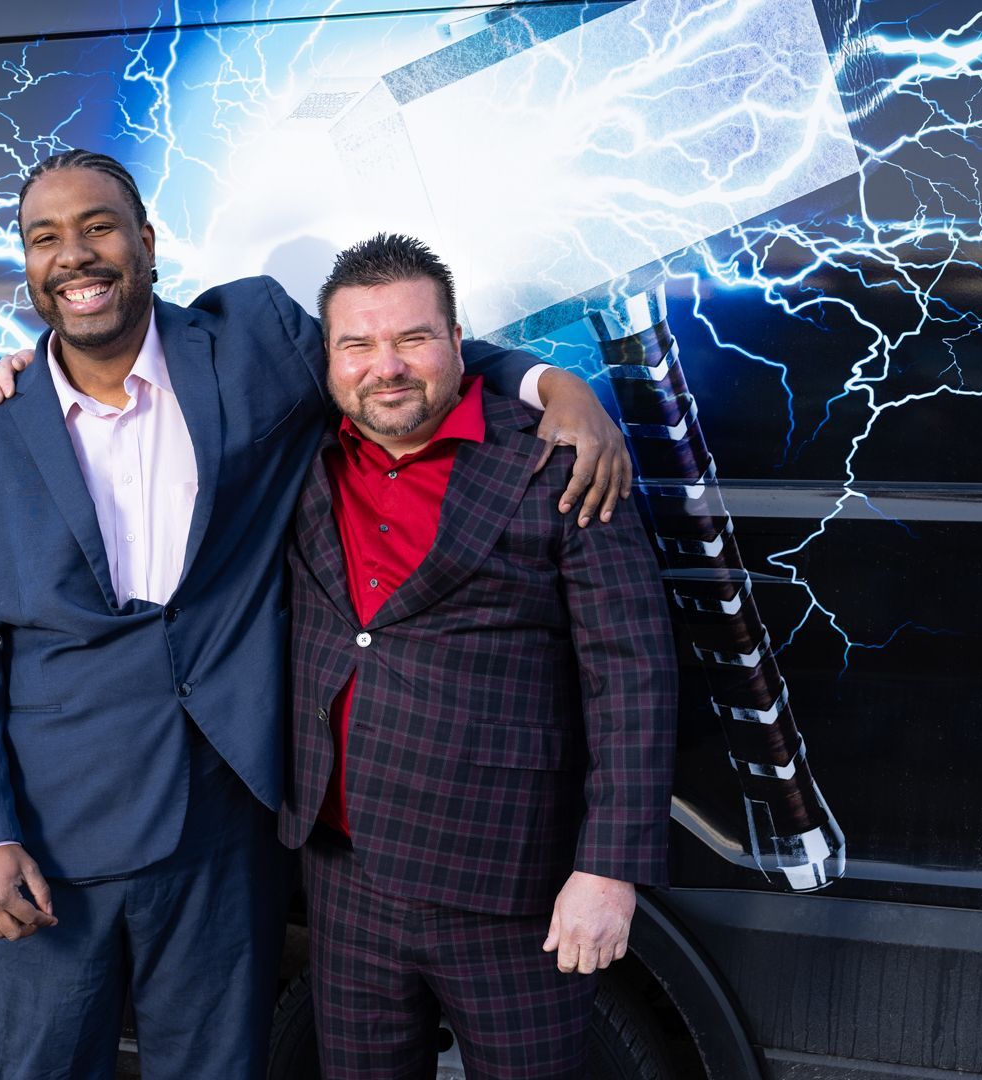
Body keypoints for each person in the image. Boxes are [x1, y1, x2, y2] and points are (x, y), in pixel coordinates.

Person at [0, 149, 628, 1079]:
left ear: (146, 244)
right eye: (46, 239)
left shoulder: (251, 342)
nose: (75, 256)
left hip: (226, 817)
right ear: (28, 272)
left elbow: (400, 354)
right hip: (53, 832)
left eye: (97, 227)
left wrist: (552, 386)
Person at [278, 233, 677, 1079]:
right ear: (328, 360)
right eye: (357, 344)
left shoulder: (557, 461)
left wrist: (609, 869)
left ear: (461, 345)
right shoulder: (302, 451)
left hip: (508, 885)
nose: (385, 366)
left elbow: (632, 675)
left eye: (413, 339)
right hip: (345, 881)